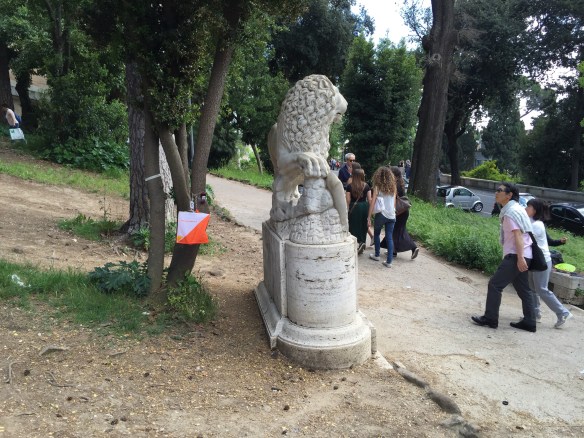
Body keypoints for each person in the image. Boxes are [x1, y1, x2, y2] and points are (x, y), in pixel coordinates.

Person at [471, 182, 538, 332]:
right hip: (525, 254)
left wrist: (520, 258)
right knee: (524, 289)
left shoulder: (510, 213)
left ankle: (490, 319)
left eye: (500, 190)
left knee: (495, 285)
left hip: (516, 255)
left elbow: (518, 236)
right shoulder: (517, 209)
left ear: (509, 195)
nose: (496, 193)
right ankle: (530, 321)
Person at [525, 199, 573, 328]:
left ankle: (563, 312)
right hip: (534, 260)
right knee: (532, 289)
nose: (526, 208)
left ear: (535, 210)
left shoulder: (537, 225)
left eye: (528, 207)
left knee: (542, 289)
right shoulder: (531, 221)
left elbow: (521, 235)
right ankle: (535, 314)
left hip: (542, 261)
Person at [386, 166, 419, 259]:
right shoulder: (401, 183)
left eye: (391, 173)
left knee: (395, 230)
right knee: (398, 230)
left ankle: (413, 247)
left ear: (395, 175)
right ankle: (393, 251)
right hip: (403, 211)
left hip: (398, 211)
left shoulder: (395, 185)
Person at [367, 166, 397, 268]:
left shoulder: (377, 187)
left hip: (381, 214)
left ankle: (377, 255)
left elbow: (372, 203)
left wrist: (369, 216)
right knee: (389, 237)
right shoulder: (393, 187)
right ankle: (389, 261)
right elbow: (394, 203)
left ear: (378, 176)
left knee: (376, 234)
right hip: (392, 215)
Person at [346, 167, 371, 255]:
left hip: (354, 207)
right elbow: (370, 199)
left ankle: (355, 241)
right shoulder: (366, 186)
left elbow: (348, 200)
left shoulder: (349, 186)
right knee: (363, 224)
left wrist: (347, 209)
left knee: (353, 225)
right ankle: (362, 241)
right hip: (364, 206)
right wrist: (370, 211)